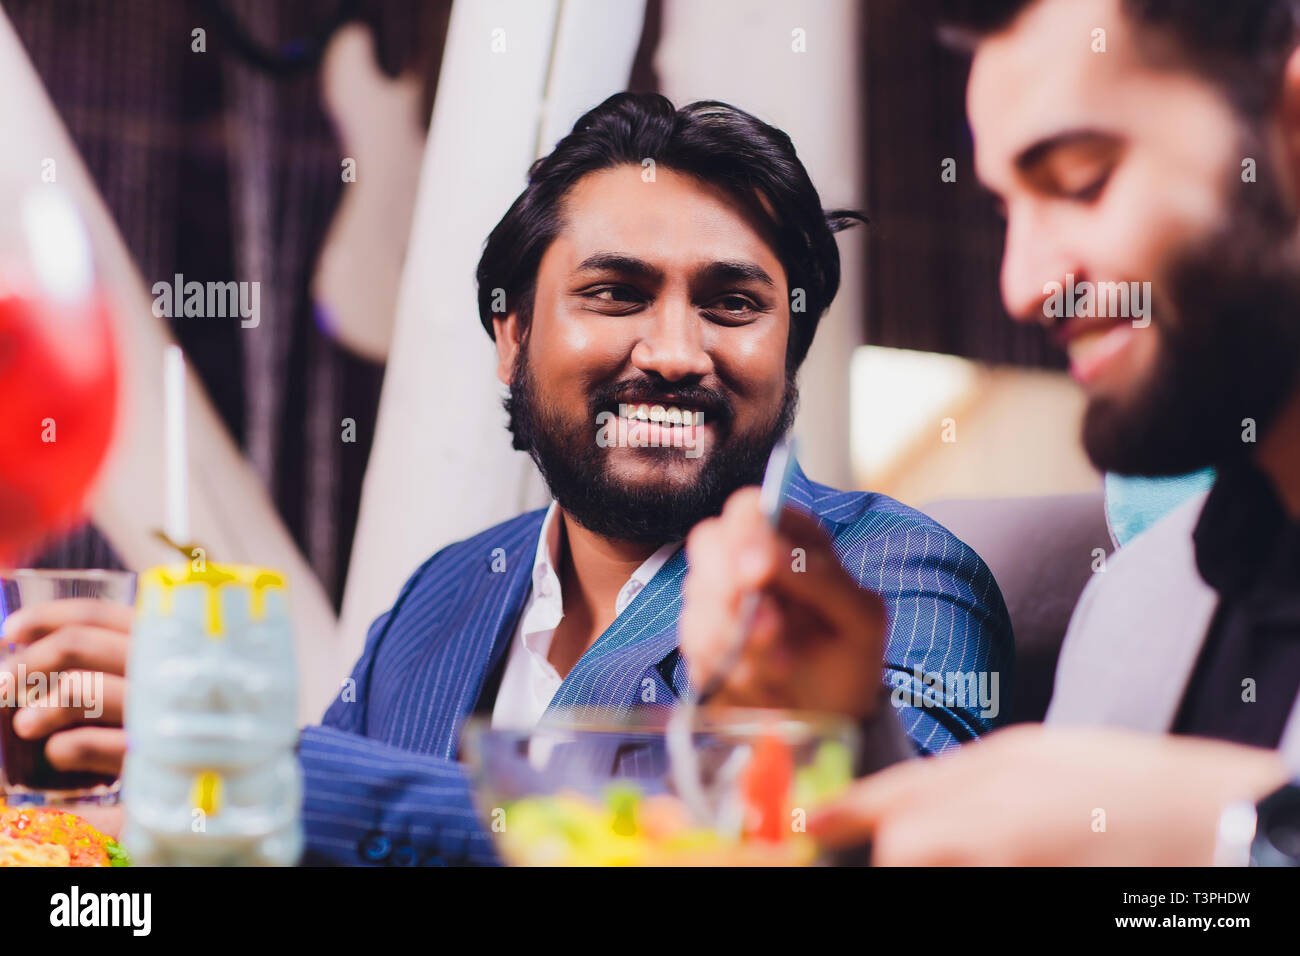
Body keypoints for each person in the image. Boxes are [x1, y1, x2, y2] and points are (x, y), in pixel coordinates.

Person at [1, 93, 1013, 865]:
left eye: (732, 303)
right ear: (512, 335)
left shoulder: (893, 575)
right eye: (614, 292)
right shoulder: (444, 591)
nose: (671, 349)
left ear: (787, 353)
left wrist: (261, 759)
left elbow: (831, 839)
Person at [683, 0, 1300, 865]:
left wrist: (1241, 834)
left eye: (1082, 178)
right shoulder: (1141, 609)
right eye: (1008, 211)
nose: (1022, 286)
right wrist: (851, 745)